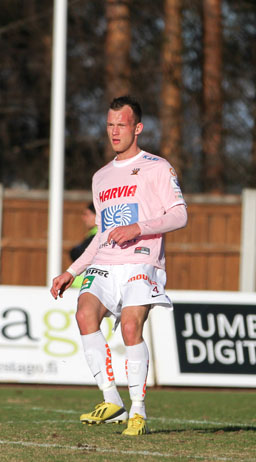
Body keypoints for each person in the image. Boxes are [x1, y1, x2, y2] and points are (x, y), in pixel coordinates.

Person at [49, 95, 188, 436]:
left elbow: (180, 215)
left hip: (142, 260)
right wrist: (71, 271)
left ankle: (138, 412)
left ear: (137, 128)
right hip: (107, 261)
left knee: (129, 329)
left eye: (121, 125)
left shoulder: (157, 167)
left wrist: (138, 228)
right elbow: (102, 235)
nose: (114, 131)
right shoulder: (101, 177)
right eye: (110, 125)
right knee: (84, 313)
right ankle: (111, 400)